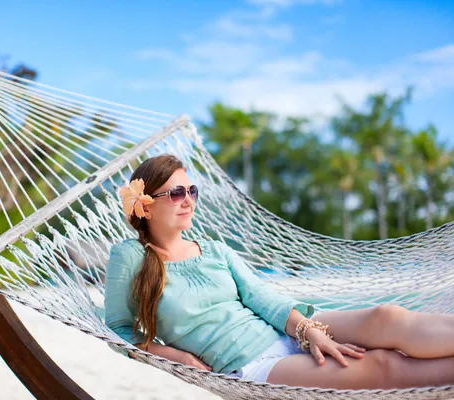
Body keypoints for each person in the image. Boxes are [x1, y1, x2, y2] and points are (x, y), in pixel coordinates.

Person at [104, 154, 454, 390]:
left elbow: (261, 297)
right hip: (250, 367)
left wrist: (306, 330)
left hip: (286, 328)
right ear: (145, 206)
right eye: (176, 192)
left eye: (191, 190)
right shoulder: (130, 257)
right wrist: (175, 355)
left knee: (386, 316)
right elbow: (118, 329)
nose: (189, 200)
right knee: (381, 367)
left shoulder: (214, 249)